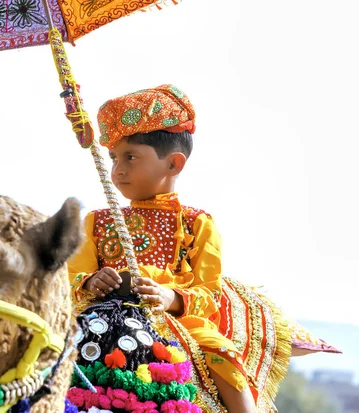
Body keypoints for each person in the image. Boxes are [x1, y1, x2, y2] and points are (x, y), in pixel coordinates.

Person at [68, 84, 257, 412]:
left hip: (179, 321)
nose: (118, 169)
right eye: (113, 157)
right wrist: (89, 282)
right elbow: (70, 275)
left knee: (223, 356)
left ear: (173, 164)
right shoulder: (95, 221)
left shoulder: (196, 224)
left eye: (131, 157)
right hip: (99, 313)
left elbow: (209, 294)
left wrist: (171, 297)